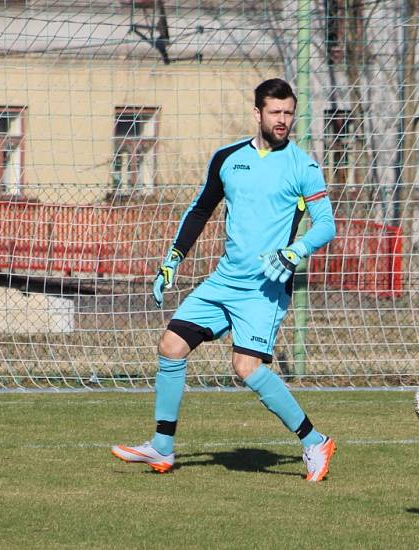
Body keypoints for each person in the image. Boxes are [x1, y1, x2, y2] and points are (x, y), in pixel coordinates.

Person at [112, 78, 337, 482]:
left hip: (264, 289)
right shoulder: (228, 158)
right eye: (275, 112)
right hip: (223, 281)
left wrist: (294, 252)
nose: (283, 120)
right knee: (171, 344)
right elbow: (200, 211)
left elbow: (325, 225)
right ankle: (161, 448)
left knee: (246, 367)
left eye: (288, 113)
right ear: (258, 113)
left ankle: (313, 440)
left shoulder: (303, 166)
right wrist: (172, 260)